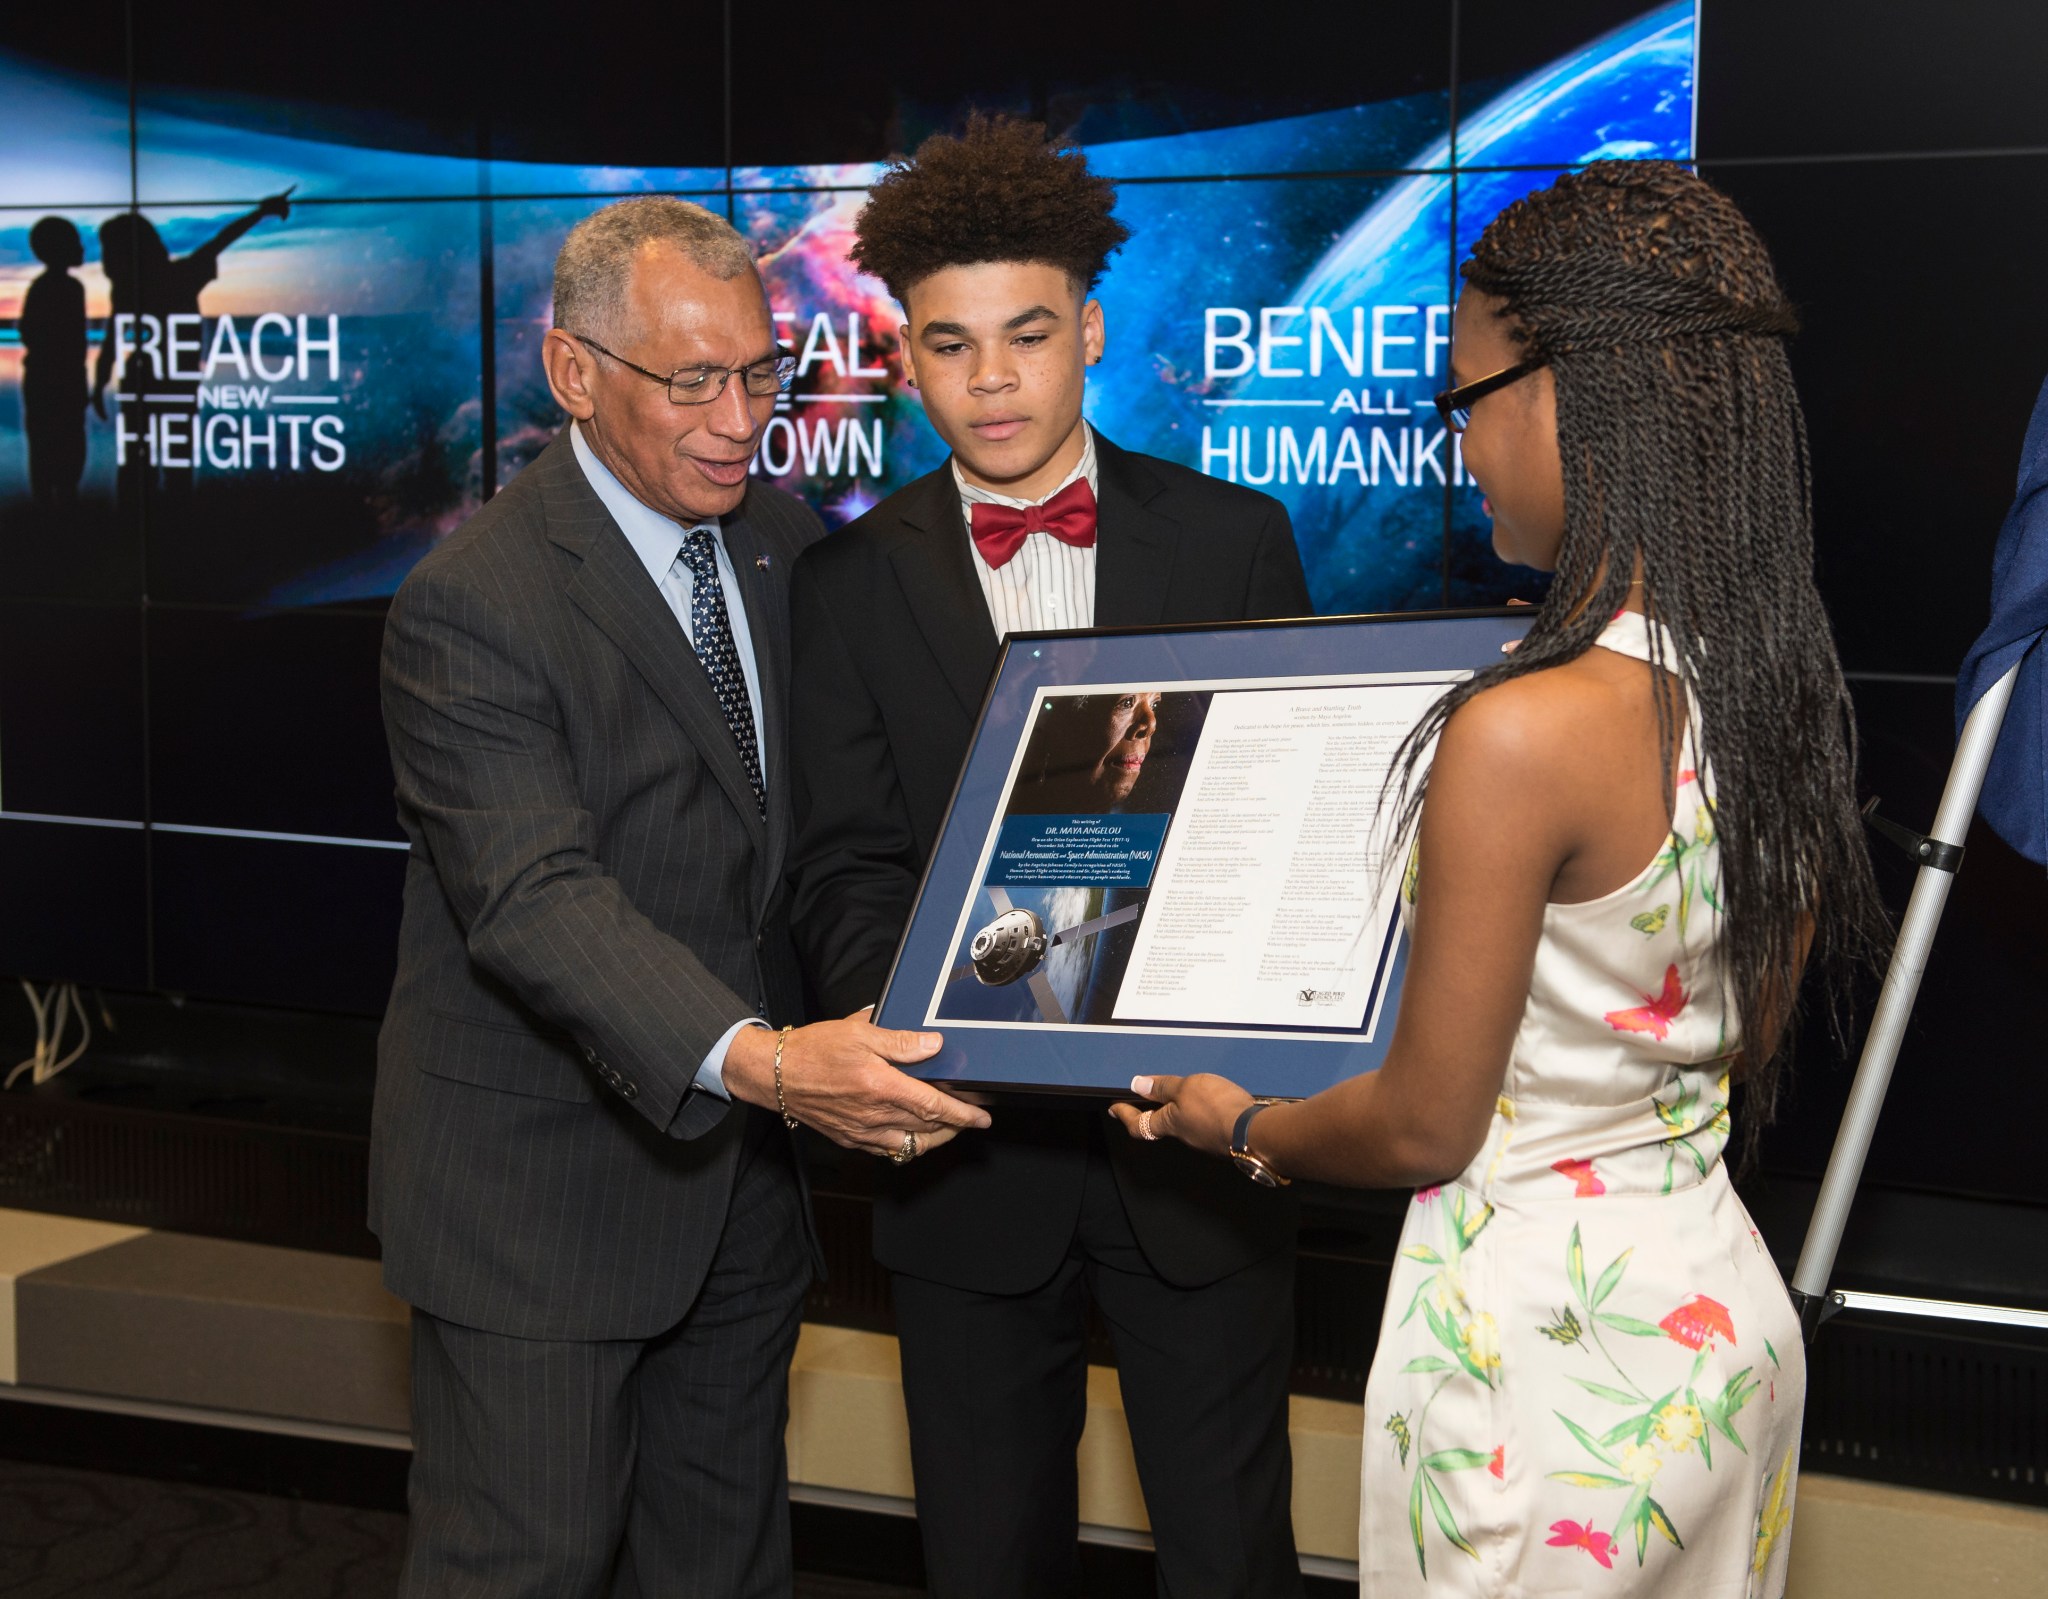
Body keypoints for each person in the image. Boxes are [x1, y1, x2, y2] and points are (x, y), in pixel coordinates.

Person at [1116, 161, 1885, 1596]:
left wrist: (1243, 1126)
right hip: (1716, 1326)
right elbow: (1741, 1032)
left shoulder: (1522, 727)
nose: (1458, 443)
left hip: (1533, 1362)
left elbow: (1423, 1121)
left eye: (1468, 396)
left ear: (1574, 390)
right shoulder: (1777, 690)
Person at [372, 197, 989, 1599]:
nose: (737, 419)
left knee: (725, 1564)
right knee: (520, 1566)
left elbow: (823, 838)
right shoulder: (476, 601)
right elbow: (535, 896)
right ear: (575, 371)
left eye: (760, 374)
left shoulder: (786, 545)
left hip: (740, 1198)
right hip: (536, 1203)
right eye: (690, 380)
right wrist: (768, 1063)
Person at [788, 118, 1313, 1598]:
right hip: (966, 1161)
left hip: (1194, 1153)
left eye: (1027, 335)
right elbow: (840, 866)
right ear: (906, 355)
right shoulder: (844, 583)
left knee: (1229, 1556)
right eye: (952, 345)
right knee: (985, 1558)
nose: (994, 378)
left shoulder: (1235, 541)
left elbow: (1279, 833)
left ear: (1090, 329)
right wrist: (915, 1043)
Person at [20, 217, 89, 508]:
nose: (82, 248)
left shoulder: (53, 287)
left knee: (49, 448)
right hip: (58, 381)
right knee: (59, 448)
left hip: (51, 380)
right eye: (75, 242)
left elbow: (30, 332)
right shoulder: (67, 288)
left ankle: (53, 515)